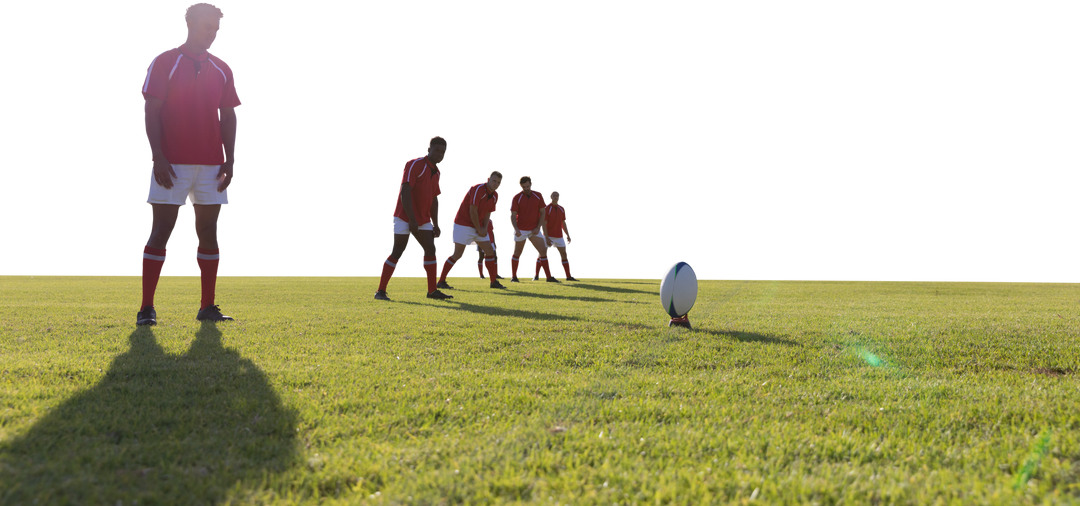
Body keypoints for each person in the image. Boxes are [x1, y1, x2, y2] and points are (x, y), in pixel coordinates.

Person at [137, 0, 240, 326]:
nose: (213, 32)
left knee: (209, 232)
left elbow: (228, 115)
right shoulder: (163, 60)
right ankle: (146, 309)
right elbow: (150, 111)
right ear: (188, 23)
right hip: (172, 163)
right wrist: (157, 156)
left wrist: (231, 159)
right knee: (161, 230)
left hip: (212, 165)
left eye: (218, 27)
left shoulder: (223, 66)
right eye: (207, 26)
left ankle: (207, 307)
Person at [374, 134, 452, 301]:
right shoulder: (415, 163)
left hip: (423, 219)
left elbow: (434, 200)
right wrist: (412, 220)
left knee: (431, 249)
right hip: (404, 216)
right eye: (436, 150)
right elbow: (405, 192)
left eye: (443, 151)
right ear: (428, 149)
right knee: (398, 252)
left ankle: (432, 291)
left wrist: (436, 224)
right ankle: (380, 291)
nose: (440, 154)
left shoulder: (438, 172)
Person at [437, 169, 507, 289]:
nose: (496, 184)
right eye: (494, 180)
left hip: (479, 225)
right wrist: (479, 228)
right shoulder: (478, 188)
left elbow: (488, 213)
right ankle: (441, 281)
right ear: (487, 179)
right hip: (463, 224)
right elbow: (472, 210)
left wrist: (484, 228)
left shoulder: (496, 195)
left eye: (499, 182)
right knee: (458, 254)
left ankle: (493, 282)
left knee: (490, 251)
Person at [506, 174, 549, 282]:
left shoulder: (539, 195)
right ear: (519, 186)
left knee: (543, 251)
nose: (525, 189)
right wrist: (516, 229)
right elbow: (512, 214)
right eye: (523, 187)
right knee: (517, 252)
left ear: (531, 184)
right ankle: (514, 277)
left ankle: (550, 277)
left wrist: (538, 228)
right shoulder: (516, 197)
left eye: (527, 186)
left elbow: (543, 213)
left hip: (535, 229)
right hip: (521, 229)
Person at [541, 189, 577, 281]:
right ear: (549, 197)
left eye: (557, 196)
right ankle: (543, 276)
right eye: (553, 195)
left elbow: (564, 223)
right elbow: (543, 224)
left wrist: (569, 235)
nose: (555, 197)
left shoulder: (562, 209)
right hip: (548, 236)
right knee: (544, 256)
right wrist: (547, 237)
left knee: (565, 255)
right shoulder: (546, 209)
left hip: (559, 236)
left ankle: (569, 276)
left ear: (560, 198)